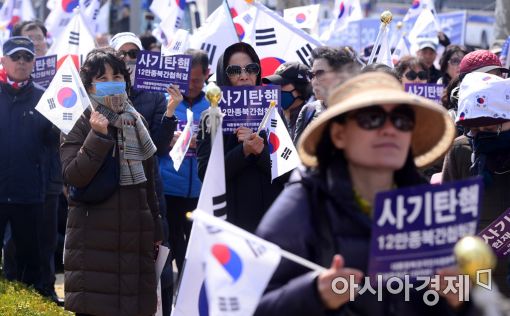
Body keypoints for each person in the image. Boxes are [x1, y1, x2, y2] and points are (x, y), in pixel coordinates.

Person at [254, 72, 467, 315]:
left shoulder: (427, 206)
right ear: (339, 134)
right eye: (372, 118)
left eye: (402, 120)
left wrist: (461, 300)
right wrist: (315, 293)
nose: (390, 130)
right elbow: (253, 305)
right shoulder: (304, 202)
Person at [61, 48, 163, 316]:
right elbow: (73, 176)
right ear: (89, 85)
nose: (112, 82)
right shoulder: (79, 120)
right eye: (102, 77)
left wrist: (157, 227)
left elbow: (150, 181)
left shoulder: (137, 121)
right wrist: (98, 136)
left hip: (135, 235)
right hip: (93, 240)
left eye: (117, 75)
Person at [109, 32, 177, 316]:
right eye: (121, 55)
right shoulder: (102, 92)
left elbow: (159, 146)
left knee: (156, 255)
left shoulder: (153, 94)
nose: (127, 60)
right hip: (113, 186)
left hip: (149, 185)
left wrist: (171, 110)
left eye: (133, 54)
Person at [196, 42, 284, 233]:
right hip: (229, 221)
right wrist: (243, 151)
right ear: (223, 75)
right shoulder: (211, 117)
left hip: (270, 220)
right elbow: (206, 174)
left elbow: (287, 173)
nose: (244, 76)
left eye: (251, 69)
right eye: (235, 70)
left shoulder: (273, 110)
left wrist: (262, 152)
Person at [442, 71, 510, 297]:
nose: (480, 135)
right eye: (474, 129)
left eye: (490, 129)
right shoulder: (462, 150)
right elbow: (447, 214)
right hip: (476, 279)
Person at [10, 20, 61, 304]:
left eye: (39, 39)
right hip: (16, 179)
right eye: (28, 40)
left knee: (46, 238)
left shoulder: (59, 79)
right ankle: (15, 290)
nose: (35, 44)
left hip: (49, 176)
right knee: (16, 241)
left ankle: (46, 287)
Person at [0, 37, 55, 289]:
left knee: (29, 266)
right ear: (3, 60)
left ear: (34, 62)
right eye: (15, 57)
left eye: (27, 57)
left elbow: (55, 144)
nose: (21, 62)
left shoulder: (47, 99)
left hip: (29, 195)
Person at [159, 48, 210, 274]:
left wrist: (204, 142)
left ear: (207, 74)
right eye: (187, 80)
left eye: (197, 80)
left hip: (201, 190)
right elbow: (153, 139)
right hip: (169, 188)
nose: (191, 85)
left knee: (196, 249)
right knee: (171, 246)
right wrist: (169, 137)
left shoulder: (213, 102)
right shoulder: (165, 101)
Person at [293, 47, 358, 144]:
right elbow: (297, 154)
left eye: (320, 73)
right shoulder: (309, 110)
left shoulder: (359, 112)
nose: (314, 81)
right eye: (311, 75)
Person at [262, 61, 312, 140]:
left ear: (300, 87)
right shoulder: (273, 117)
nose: (277, 90)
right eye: (276, 85)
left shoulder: (312, 118)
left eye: (282, 84)